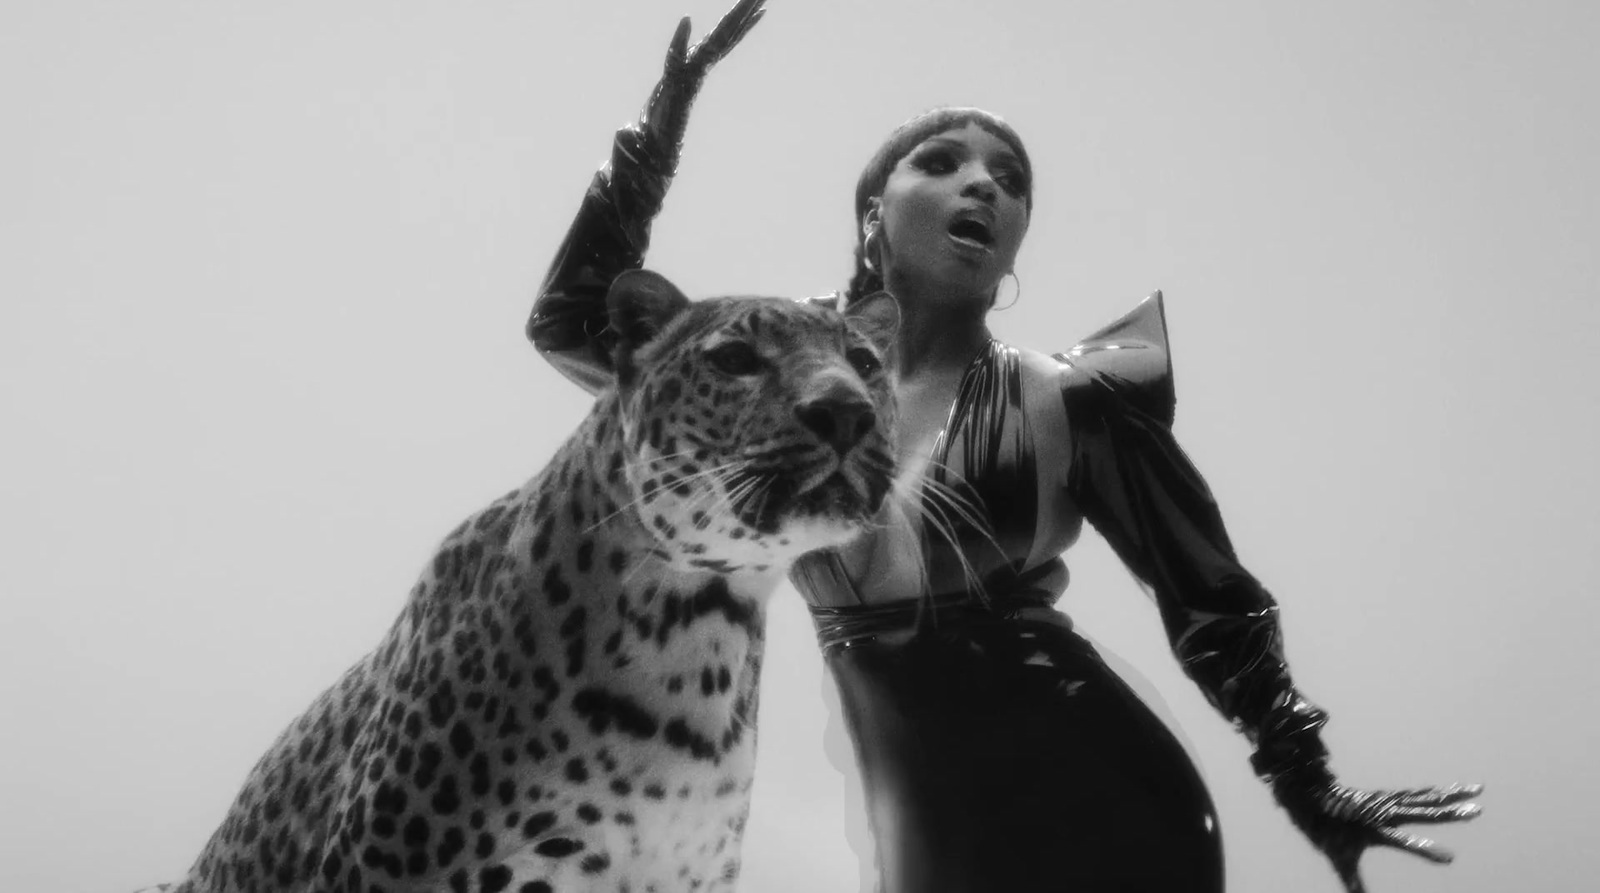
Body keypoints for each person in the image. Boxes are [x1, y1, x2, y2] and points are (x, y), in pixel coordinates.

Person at [526, 3, 1482, 890]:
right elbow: (572, 320)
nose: (982, 182)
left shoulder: (1073, 399)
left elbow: (1215, 606)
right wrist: (654, 139)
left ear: (1016, 241)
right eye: (942, 162)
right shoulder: (753, 372)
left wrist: (1310, 785)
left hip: (1102, 800)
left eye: (1010, 180)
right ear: (873, 214)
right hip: (920, 821)